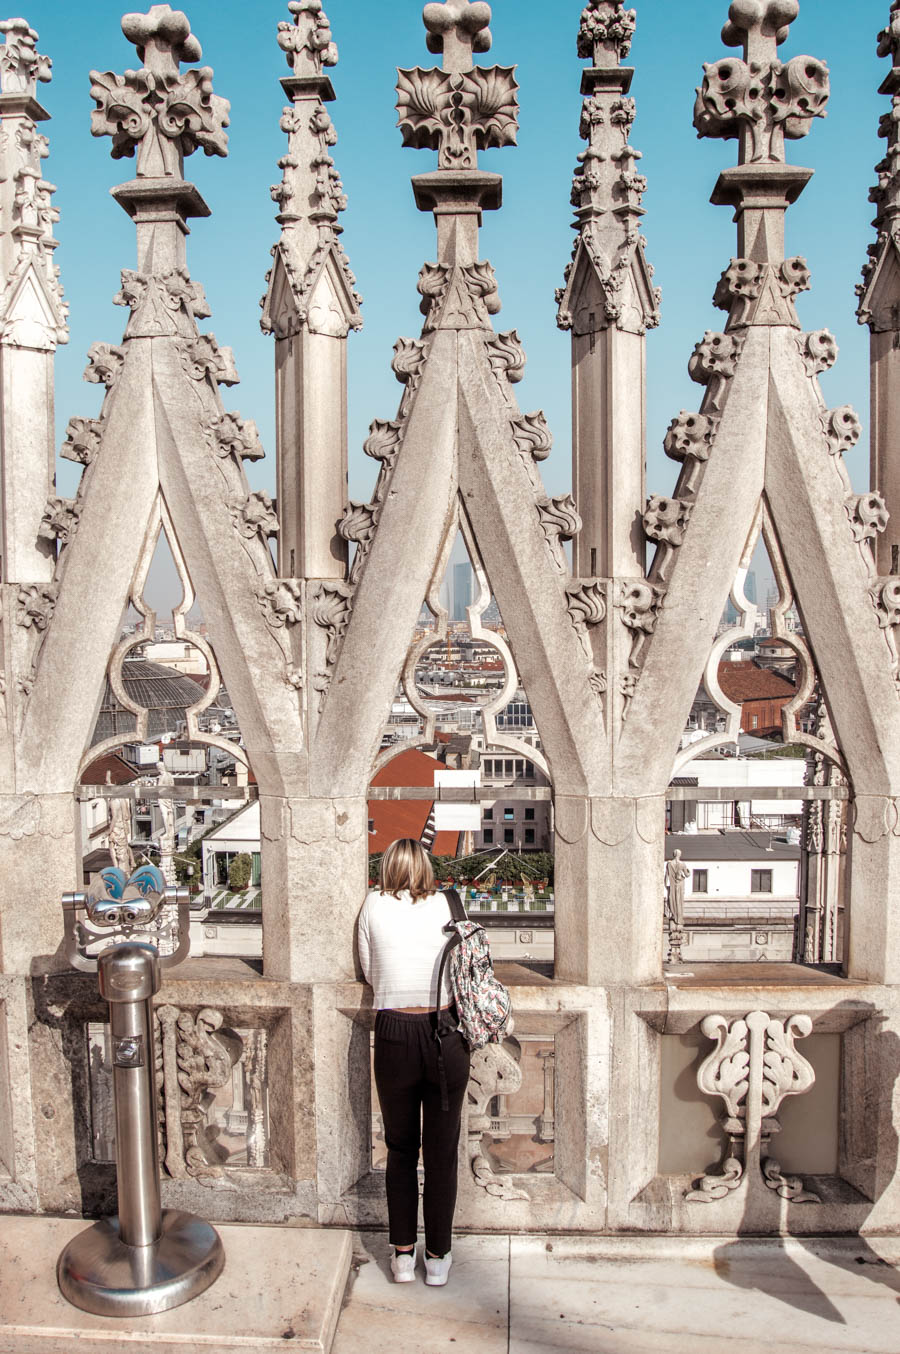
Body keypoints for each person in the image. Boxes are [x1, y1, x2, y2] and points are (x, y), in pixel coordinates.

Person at [357, 838, 470, 1287]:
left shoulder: (371, 904)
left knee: (400, 1150)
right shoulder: (448, 904)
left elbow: (370, 971)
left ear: (386, 868)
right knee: (441, 1154)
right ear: (425, 867)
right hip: (445, 1034)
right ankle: (438, 1258)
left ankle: (403, 1255)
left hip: (393, 1032)